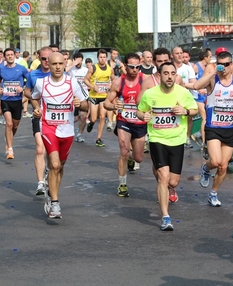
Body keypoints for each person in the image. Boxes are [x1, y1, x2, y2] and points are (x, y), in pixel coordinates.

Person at [137, 62, 198, 231]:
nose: (170, 76)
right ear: (160, 75)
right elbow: (139, 111)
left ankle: (168, 186)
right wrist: (144, 115)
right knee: (163, 177)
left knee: (173, 181)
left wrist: (184, 111)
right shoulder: (150, 94)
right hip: (157, 139)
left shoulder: (183, 93)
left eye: (173, 73)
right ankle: (165, 216)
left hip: (177, 140)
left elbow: (195, 110)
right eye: (166, 73)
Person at [31, 52, 88, 219]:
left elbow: (86, 105)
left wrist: (80, 104)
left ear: (65, 64)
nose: (57, 67)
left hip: (67, 130)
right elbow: (34, 97)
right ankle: (55, 203)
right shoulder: (42, 83)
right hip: (48, 128)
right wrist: (36, 108)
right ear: (48, 64)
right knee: (54, 164)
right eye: (54, 64)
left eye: (60, 64)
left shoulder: (73, 83)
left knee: (60, 166)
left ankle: (51, 191)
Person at [193, 51, 233, 206]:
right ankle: (206, 169)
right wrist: (212, 72)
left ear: (232, 65)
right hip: (213, 127)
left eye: (227, 64)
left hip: (229, 128)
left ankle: (213, 193)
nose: (224, 67)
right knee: (215, 160)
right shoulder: (213, 80)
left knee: (223, 166)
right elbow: (196, 86)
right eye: (221, 64)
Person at [104, 52, 146, 197]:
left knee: (139, 158)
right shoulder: (118, 82)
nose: (135, 70)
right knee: (123, 150)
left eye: (138, 67)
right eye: (132, 67)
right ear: (126, 66)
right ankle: (122, 184)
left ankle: (130, 159)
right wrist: (114, 107)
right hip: (124, 121)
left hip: (140, 123)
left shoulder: (145, 80)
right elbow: (106, 103)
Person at [24, 46, 52, 195]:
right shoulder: (33, 75)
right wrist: (34, 101)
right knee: (40, 149)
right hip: (39, 115)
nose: (47, 61)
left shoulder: (60, 74)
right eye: (43, 59)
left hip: (55, 117)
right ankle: (40, 182)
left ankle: (49, 169)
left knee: (52, 152)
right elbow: (27, 90)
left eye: (49, 58)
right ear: (38, 58)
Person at [0, 48, 28, 159]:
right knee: (8, 124)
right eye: (7, 55)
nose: (10, 56)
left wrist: (23, 88)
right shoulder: (2, 69)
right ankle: (10, 149)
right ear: (5, 57)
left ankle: (9, 139)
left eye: (11, 54)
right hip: (6, 100)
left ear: (14, 56)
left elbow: (30, 81)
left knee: (15, 125)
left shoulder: (21, 69)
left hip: (17, 100)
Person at [83, 49, 115, 147]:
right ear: (98, 58)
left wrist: (111, 85)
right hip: (94, 96)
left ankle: (99, 138)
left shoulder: (110, 69)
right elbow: (85, 80)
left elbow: (114, 81)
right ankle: (91, 123)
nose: (102, 59)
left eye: (104, 57)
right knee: (93, 118)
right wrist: (92, 86)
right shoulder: (93, 68)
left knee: (102, 117)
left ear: (106, 58)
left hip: (104, 96)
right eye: (100, 57)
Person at [171, 47, 197, 148]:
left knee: (189, 117)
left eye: (181, 53)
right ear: (172, 55)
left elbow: (193, 83)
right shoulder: (169, 67)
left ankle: (187, 137)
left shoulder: (188, 68)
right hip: (171, 96)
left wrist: (181, 84)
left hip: (185, 96)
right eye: (177, 53)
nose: (180, 55)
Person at [191, 48, 212, 148]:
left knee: (208, 118)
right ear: (205, 57)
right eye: (210, 57)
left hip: (206, 96)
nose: (211, 59)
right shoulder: (196, 66)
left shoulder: (209, 67)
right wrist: (198, 89)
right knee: (204, 118)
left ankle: (198, 134)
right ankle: (205, 143)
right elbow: (193, 82)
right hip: (197, 97)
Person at [67, 52, 89, 143]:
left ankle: (79, 134)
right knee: (75, 118)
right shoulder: (71, 70)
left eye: (80, 60)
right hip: (73, 97)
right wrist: (73, 64)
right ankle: (66, 127)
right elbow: (64, 71)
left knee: (83, 116)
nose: (78, 62)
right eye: (77, 59)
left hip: (84, 96)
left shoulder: (86, 70)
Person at [18, 51, 32, 118]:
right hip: (24, 81)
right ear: (28, 56)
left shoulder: (23, 62)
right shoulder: (23, 62)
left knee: (26, 96)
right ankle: (16, 105)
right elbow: (23, 71)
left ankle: (25, 111)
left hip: (25, 81)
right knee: (25, 97)